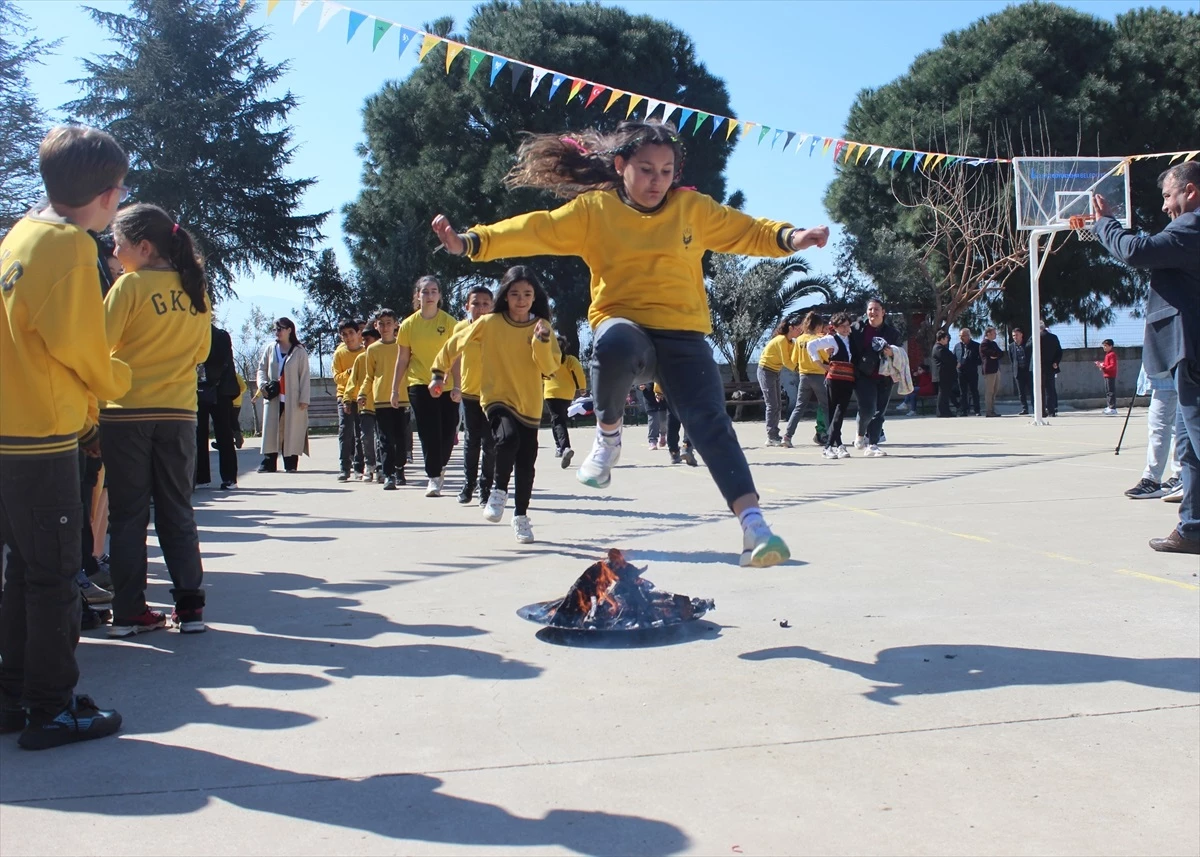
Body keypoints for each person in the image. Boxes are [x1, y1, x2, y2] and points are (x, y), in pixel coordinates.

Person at [429, 120, 829, 566]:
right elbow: (535, 229)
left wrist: (792, 237)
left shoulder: (692, 209)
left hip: (683, 333)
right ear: (620, 166)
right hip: (623, 322)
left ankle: (754, 526)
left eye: (665, 171)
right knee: (615, 345)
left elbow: (746, 231)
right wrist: (471, 242)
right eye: (645, 169)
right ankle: (608, 436)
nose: (656, 180)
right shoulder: (594, 211)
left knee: (710, 422)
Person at [0, 125, 131, 749]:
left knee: (23, 574)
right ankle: (52, 708)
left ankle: (12, 696)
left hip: (8, 428)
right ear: (107, 197)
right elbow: (81, 347)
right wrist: (116, 379)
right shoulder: (71, 247)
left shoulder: (20, 235)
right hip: (42, 436)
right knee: (54, 577)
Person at [101, 202, 212, 639]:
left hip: (125, 412)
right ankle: (190, 607)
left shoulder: (128, 288)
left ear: (143, 247)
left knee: (127, 516)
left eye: (119, 243)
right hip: (179, 413)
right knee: (177, 511)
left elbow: (99, 346)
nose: (114, 249)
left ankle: (129, 611)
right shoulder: (197, 290)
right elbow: (201, 355)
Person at [1093, 161, 1200, 554]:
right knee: (1188, 450)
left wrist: (1104, 223)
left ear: (1191, 191)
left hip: (1192, 350)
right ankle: (1193, 529)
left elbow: (1136, 251)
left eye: (1168, 196)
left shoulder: (1192, 225)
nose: (1165, 207)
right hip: (1186, 353)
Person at [430, 266, 561, 544]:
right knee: (506, 438)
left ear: (535, 297)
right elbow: (455, 344)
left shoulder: (543, 327)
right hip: (495, 397)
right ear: (506, 295)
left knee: (527, 463)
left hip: (529, 401)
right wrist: (438, 373)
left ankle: (521, 517)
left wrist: (541, 342)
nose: (521, 300)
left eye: (527, 294)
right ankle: (497, 491)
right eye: (515, 294)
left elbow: (550, 368)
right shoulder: (489, 322)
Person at [391, 277, 457, 497]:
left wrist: (458, 385)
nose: (430, 296)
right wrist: (394, 389)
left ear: (440, 295)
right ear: (417, 295)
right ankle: (433, 477)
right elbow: (402, 359)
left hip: (447, 385)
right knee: (429, 431)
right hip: (419, 383)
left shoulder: (449, 323)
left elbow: (456, 357)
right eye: (425, 292)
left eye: (434, 291)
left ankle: (440, 464)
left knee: (448, 431)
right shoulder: (408, 325)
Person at [452, 287, 497, 503]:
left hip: (494, 394)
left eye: (485, 303)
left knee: (490, 442)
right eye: (475, 304)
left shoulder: (498, 327)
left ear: (493, 306)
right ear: (467, 306)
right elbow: (454, 357)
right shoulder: (460, 328)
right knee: (471, 441)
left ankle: (485, 486)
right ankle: (468, 484)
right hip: (469, 392)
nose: (480, 308)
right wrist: (455, 385)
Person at [360, 310, 408, 489]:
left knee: (401, 437)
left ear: (396, 324)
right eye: (381, 323)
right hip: (380, 399)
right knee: (385, 439)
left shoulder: (403, 346)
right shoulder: (372, 349)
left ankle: (400, 467)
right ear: (376, 326)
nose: (385, 327)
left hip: (401, 398)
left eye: (389, 323)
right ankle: (388, 475)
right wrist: (363, 393)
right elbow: (369, 376)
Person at [256, 318, 310, 473]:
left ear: (289, 330)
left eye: (281, 328)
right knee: (270, 430)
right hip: (273, 397)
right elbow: (261, 368)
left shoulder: (299, 351)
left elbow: (305, 376)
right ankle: (269, 462)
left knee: (292, 430)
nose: (277, 332)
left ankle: (291, 462)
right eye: (276, 329)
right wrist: (262, 384)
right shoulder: (270, 349)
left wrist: (304, 399)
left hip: (292, 398)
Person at [850, 298, 901, 457]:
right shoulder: (857, 329)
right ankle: (860, 433)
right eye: (870, 309)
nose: (873, 312)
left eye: (876, 309)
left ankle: (872, 445)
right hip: (863, 375)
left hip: (884, 376)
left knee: (879, 412)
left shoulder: (892, 333)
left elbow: (899, 353)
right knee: (868, 408)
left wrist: (892, 353)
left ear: (883, 312)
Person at [1125, 365, 1184, 500]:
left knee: (1160, 424)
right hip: (1167, 372)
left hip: (1168, 371)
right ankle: (1178, 475)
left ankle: (1152, 479)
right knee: (1176, 426)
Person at [805, 312, 855, 459]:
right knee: (835, 412)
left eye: (847, 325)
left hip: (848, 379)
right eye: (842, 326)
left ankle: (837, 445)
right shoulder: (831, 340)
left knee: (839, 413)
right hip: (834, 379)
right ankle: (830, 446)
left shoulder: (851, 339)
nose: (846, 329)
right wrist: (821, 364)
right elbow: (811, 345)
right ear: (835, 327)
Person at [196, 323, 239, 490]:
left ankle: (229, 478)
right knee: (199, 434)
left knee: (224, 435)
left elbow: (222, 362)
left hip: (219, 391)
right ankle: (201, 477)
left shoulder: (219, 335)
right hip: (197, 390)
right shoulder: (189, 332)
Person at [786, 311, 831, 446]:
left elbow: (794, 359)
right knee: (826, 406)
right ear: (818, 326)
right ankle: (830, 434)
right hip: (817, 375)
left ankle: (787, 436)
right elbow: (826, 358)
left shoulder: (799, 339)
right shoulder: (817, 339)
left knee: (799, 407)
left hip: (803, 376)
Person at [757, 313, 802, 447]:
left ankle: (774, 433)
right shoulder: (781, 340)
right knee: (772, 404)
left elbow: (795, 357)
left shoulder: (791, 342)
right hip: (765, 370)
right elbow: (786, 361)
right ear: (791, 328)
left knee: (777, 404)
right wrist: (799, 369)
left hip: (775, 371)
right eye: (798, 329)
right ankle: (771, 436)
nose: (800, 332)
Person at [544, 334, 586, 467]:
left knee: (558, 420)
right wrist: (582, 387)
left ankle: (565, 447)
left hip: (551, 393)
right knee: (556, 419)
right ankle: (559, 447)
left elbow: (539, 371)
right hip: (567, 393)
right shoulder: (570, 359)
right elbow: (579, 372)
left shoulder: (547, 359)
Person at [332, 318, 367, 482]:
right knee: (345, 431)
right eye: (344, 334)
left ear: (359, 334)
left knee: (362, 433)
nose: (348, 337)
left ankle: (359, 467)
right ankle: (344, 467)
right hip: (344, 397)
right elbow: (337, 378)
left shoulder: (366, 352)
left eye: (351, 333)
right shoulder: (339, 353)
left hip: (363, 397)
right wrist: (349, 373)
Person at [347, 326, 381, 482]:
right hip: (365, 405)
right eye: (364, 340)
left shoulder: (385, 355)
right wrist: (347, 398)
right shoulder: (360, 359)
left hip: (383, 403)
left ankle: (382, 467)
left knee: (382, 438)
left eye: (368, 340)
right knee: (366, 437)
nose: (365, 343)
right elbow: (352, 381)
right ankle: (369, 465)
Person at [953, 328, 981, 416]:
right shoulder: (957, 346)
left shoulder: (976, 346)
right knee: (963, 392)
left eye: (963, 336)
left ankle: (977, 410)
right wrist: (956, 363)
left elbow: (980, 359)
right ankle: (964, 410)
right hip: (961, 372)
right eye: (960, 336)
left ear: (969, 336)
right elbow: (953, 358)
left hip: (972, 372)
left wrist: (972, 363)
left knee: (974, 391)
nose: (961, 338)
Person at [1039, 321, 1063, 418]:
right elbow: (1059, 351)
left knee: (1040, 390)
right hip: (1051, 367)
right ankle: (1051, 410)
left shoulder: (1037, 337)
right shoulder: (1053, 337)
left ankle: (1041, 410)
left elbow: (1028, 347)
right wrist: (1056, 362)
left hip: (1040, 367)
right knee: (1050, 390)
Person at [932, 330, 957, 418]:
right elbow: (948, 359)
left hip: (945, 374)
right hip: (942, 375)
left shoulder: (940, 348)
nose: (947, 340)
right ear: (941, 339)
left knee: (945, 394)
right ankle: (942, 411)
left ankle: (946, 411)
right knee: (943, 393)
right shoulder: (938, 348)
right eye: (946, 338)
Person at [979, 327, 1003, 417]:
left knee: (995, 390)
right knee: (989, 391)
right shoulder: (984, 344)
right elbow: (992, 353)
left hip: (996, 369)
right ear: (988, 334)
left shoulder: (994, 343)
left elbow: (1000, 353)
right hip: (989, 370)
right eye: (993, 333)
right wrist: (995, 354)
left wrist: (996, 355)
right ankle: (989, 411)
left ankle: (993, 409)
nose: (995, 335)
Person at [1009, 328, 1033, 415]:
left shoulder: (1027, 344)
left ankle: (1035, 408)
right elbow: (1012, 359)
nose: (1015, 337)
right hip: (1018, 372)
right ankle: (1024, 409)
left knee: (1032, 390)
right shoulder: (1011, 346)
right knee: (1021, 392)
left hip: (1028, 371)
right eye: (1013, 335)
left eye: (1017, 335)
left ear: (1021, 335)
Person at [639, 382, 669, 449]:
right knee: (653, 420)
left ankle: (663, 435)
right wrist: (639, 386)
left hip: (662, 396)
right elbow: (637, 380)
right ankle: (652, 440)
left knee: (663, 420)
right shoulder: (644, 372)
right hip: (650, 397)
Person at [1095, 339, 1119, 414]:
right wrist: (1101, 365)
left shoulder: (1111, 355)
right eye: (1104, 346)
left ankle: (1112, 408)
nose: (1104, 347)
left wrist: (1103, 367)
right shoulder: (1107, 355)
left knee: (1111, 391)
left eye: (1106, 346)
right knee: (1108, 391)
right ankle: (1109, 406)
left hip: (1110, 375)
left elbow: (1112, 366)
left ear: (1110, 346)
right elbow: (1107, 364)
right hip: (1106, 375)